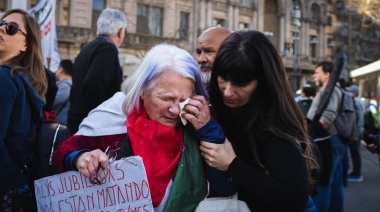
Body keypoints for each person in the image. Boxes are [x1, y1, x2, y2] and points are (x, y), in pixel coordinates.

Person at [54, 44, 224, 211]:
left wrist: (207, 129)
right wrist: (80, 158)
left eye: (182, 101)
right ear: (142, 89)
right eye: (166, 98)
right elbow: (63, 153)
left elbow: (224, 185)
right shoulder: (115, 112)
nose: (174, 110)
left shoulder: (197, 120)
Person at [199, 30, 319, 211]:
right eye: (223, 78)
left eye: (241, 83)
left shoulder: (273, 121)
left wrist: (232, 164)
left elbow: (294, 197)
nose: (228, 91)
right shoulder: (218, 101)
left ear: (263, 81)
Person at [0, 9, 47, 211]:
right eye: (1, 23)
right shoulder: (22, 79)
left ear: (26, 45)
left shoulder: (4, 78)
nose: (2, 28)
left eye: (11, 28)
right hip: (18, 186)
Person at [68, 9, 127, 134]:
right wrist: (99, 116)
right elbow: (94, 83)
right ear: (121, 31)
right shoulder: (108, 49)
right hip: (91, 126)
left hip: (77, 120)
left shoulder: (88, 48)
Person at [307, 61, 345, 212]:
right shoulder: (327, 89)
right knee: (334, 182)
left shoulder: (332, 89)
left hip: (328, 141)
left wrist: (314, 131)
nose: (315, 75)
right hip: (330, 140)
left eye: (317, 72)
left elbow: (329, 114)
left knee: (323, 183)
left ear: (327, 74)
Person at [53, 59, 74, 125]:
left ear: (61, 69)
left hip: (60, 123)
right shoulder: (69, 84)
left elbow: (51, 102)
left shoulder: (65, 86)